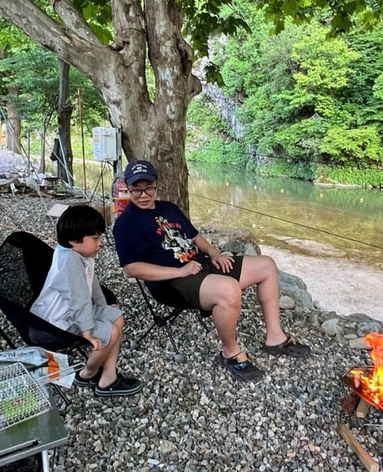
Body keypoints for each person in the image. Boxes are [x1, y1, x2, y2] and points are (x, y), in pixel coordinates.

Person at [113, 160, 311, 383]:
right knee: (229, 289)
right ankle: (230, 353)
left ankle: (275, 337)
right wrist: (179, 272)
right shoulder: (126, 224)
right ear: (127, 188)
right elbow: (132, 269)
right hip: (172, 283)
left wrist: (214, 253)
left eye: (148, 188)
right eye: (136, 189)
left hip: (200, 266)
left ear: (156, 185)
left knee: (266, 265)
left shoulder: (168, 208)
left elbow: (195, 236)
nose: (143, 194)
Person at [31, 204, 141, 397]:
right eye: (95, 238)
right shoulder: (70, 261)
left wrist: (104, 307)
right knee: (111, 333)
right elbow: (79, 298)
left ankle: (109, 375)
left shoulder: (81, 254)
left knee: (117, 317)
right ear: (74, 241)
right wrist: (88, 331)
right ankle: (88, 373)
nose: (100, 243)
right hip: (57, 320)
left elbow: (93, 285)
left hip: (75, 311)